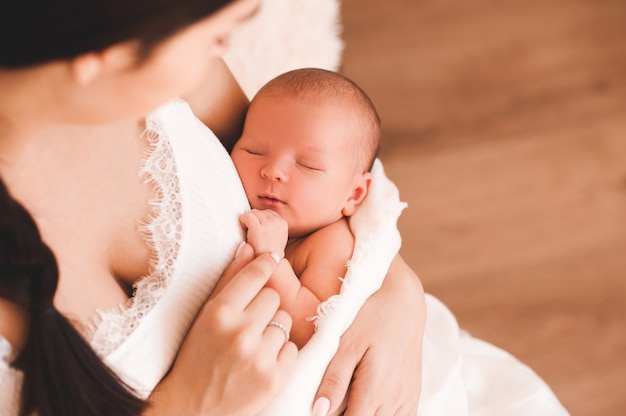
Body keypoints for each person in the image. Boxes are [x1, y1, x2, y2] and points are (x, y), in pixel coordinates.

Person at [0, 1, 425, 415]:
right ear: (110, 53)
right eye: (219, 35)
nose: (223, 52)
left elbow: (321, 156)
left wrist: (394, 286)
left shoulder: (157, 51)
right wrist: (187, 405)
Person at [231, 68, 381, 348]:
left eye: (308, 165)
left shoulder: (330, 243)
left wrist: (272, 257)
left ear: (354, 193)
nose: (273, 171)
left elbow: (311, 330)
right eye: (254, 150)